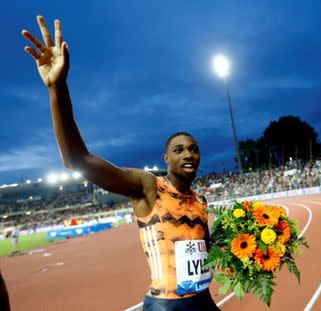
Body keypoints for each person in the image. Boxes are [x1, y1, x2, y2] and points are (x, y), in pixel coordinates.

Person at [22, 16, 219, 311]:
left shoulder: (200, 201)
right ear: (166, 159)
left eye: (194, 149)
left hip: (204, 302)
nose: (188, 154)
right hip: (166, 305)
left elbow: (202, 252)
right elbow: (78, 160)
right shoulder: (147, 186)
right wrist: (57, 89)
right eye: (179, 150)